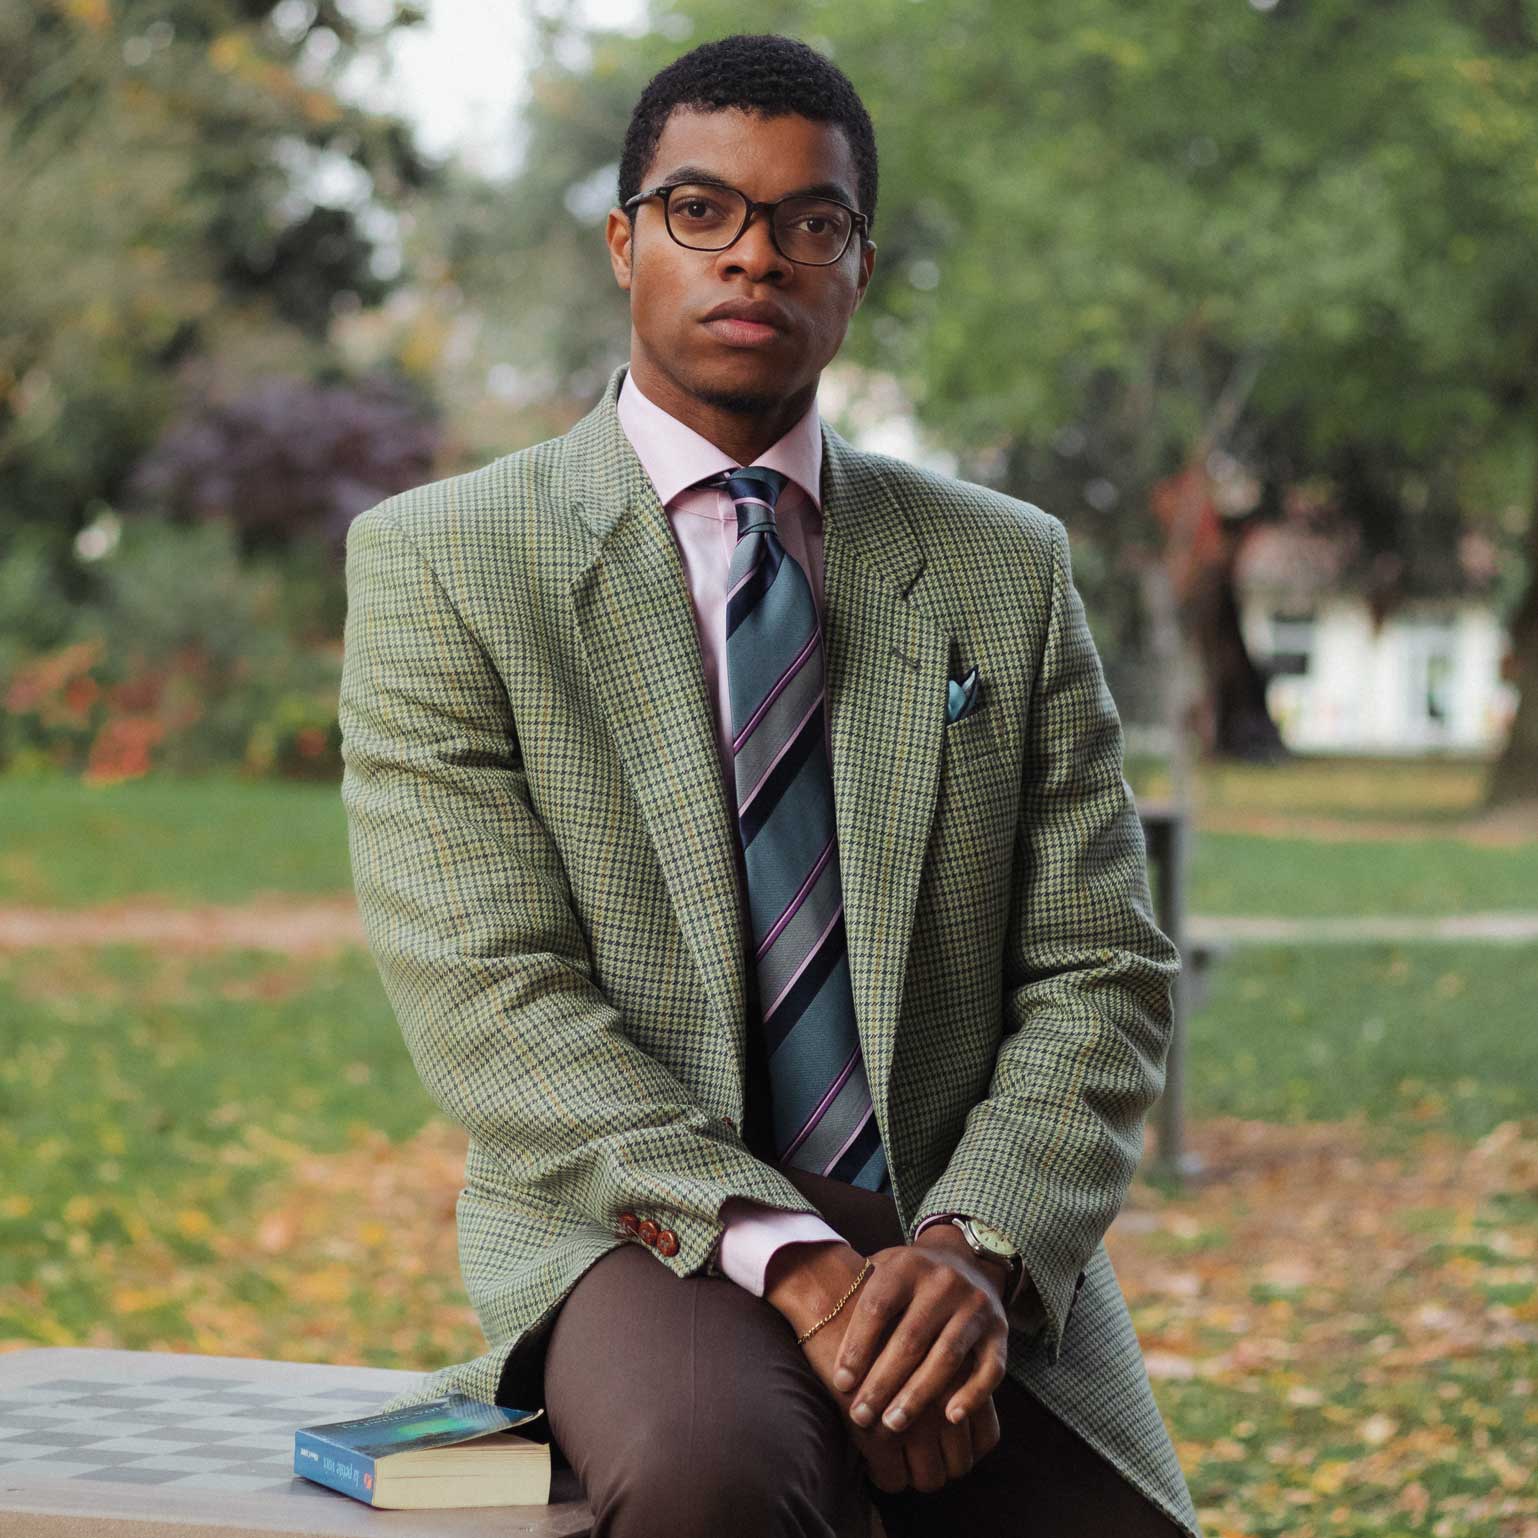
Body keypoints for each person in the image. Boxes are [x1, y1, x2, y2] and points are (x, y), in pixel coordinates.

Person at [338, 30, 1199, 1538]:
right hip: (635, 1224)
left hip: (949, 1206)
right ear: (623, 242)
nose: (755, 258)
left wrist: (976, 1245)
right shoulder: (443, 563)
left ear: (856, 266)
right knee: (715, 1477)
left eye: (809, 223)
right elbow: (493, 995)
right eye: (700, 210)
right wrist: (796, 1261)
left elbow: (1099, 966)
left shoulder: (1002, 564)